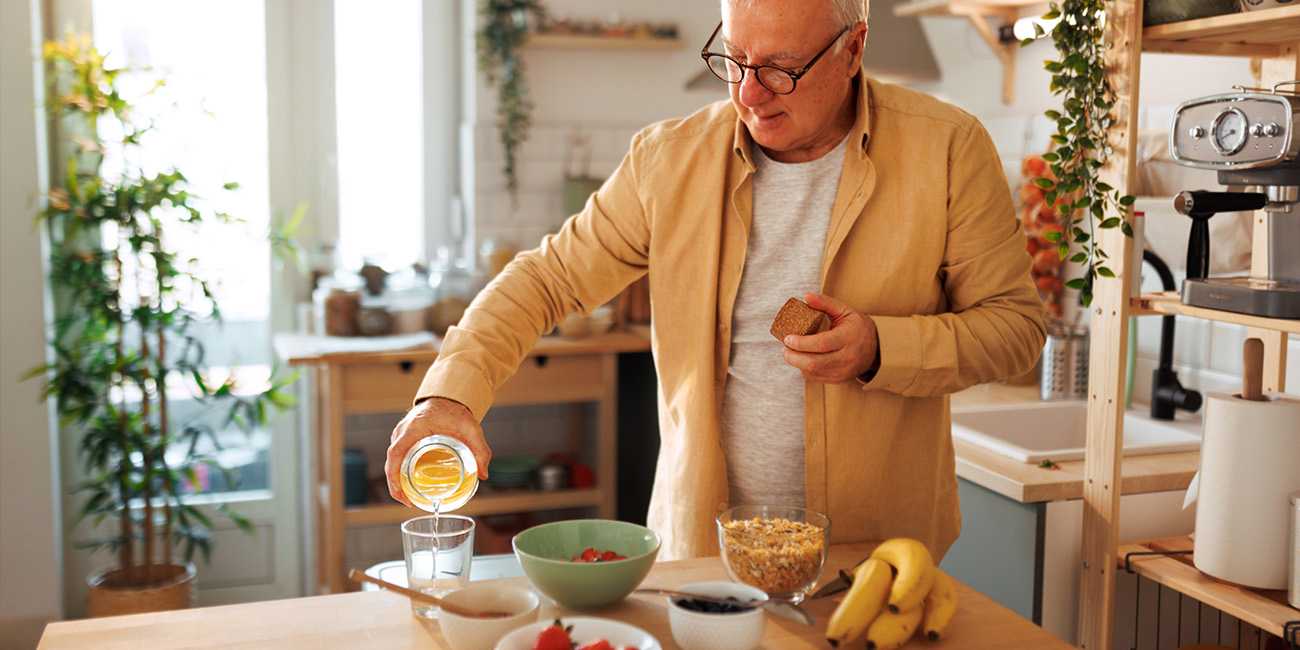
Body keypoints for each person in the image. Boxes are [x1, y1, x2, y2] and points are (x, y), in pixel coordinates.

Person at [386, 0, 1046, 562]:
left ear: (853, 49)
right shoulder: (666, 160)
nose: (748, 94)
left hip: (873, 557)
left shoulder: (948, 147)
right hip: (702, 555)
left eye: (781, 69)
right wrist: (448, 397)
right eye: (733, 59)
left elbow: (1015, 329)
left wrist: (880, 348)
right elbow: (546, 279)